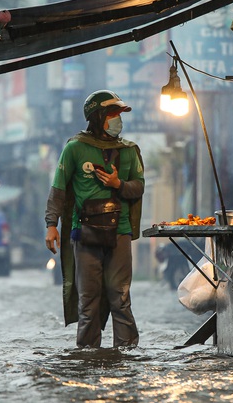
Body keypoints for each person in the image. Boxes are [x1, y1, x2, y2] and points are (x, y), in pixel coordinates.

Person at [44, 90, 145, 348]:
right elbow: (58, 189)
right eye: (113, 114)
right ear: (98, 117)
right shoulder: (75, 148)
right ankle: (88, 357)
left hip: (120, 232)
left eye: (119, 115)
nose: (118, 120)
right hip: (84, 233)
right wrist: (51, 226)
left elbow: (139, 187)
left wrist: (118, 183)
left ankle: (127, 354)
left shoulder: (130, 151)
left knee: (120, 297)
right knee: (88, 301)